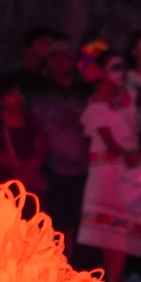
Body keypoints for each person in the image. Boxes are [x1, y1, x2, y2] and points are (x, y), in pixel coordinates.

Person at [78, 46, 141, 282]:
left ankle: (115, 280)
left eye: (123, 68)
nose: (120, 74)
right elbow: (107, 139)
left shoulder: (130, 96)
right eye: (114, 68)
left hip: (129, 169)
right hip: (107, 169)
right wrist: (126, 154)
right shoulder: (95, 105)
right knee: (107, 227)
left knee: (123, 226)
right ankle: (112, 280)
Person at [31, 36, 90, 255]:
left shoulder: (86, 92)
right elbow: (32, 131)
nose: (60, 62)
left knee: (83, 223)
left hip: (86, 169)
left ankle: (85, 273)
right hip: (53, 169)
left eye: (66, 57)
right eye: (54, 57)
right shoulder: (38, 92)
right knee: (55, 222)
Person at [0, 75, 48, 193]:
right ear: (0, 99)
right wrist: (11, 162)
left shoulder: (31, 120)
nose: (17, 98)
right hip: (0, 185)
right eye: (12, 94)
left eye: (20, 93)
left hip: (29, 184)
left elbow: (44, 146)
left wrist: (35, 161)